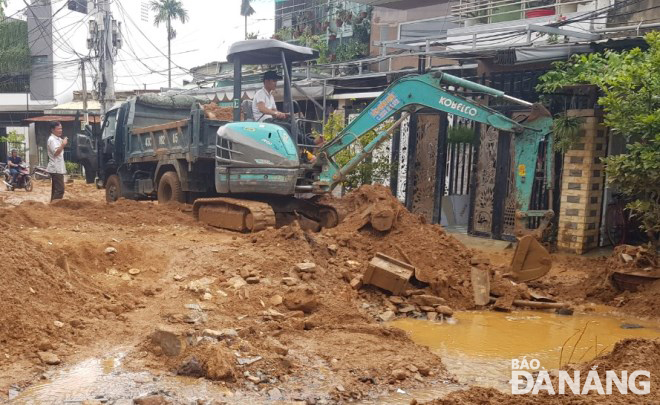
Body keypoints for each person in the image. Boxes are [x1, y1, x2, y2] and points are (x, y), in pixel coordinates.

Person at [46, 121, 67, 201]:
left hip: (58, 168)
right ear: (52, 130)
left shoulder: (57, 139)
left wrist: (63, 142)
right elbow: (56, 153)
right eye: (58, 129)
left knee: (55, 190)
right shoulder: (51, 140)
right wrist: (63, 145)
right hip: (55, 169)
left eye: (61, 128)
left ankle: (52, 207)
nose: (60, 130)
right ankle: (55, 206)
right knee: (60, 190)